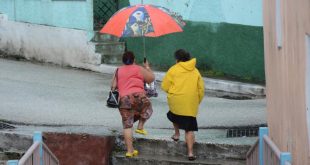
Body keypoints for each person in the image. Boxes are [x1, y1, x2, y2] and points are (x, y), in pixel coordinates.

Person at [161, 49, 205, 161]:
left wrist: (172, 92)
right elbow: (201, 89)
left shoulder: (173, 69)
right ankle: (190, 153)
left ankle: (176, 134)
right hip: (190, 103)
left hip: (176, 99)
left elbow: (165, 86)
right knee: (189, 129)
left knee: (173, 114)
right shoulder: (195, 71)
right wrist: (196, 101)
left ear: (177, 59)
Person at [111, 51, 155, 158]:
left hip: (124, 99)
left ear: (123, 60)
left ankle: (130, 151)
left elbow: (113, 87)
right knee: (148, 108)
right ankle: (140, 125)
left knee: (127, 126)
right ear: (134, 60)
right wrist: (147, 67)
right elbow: (151, 79)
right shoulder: (139, 68)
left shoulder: (118, 70)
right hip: (139, 97)